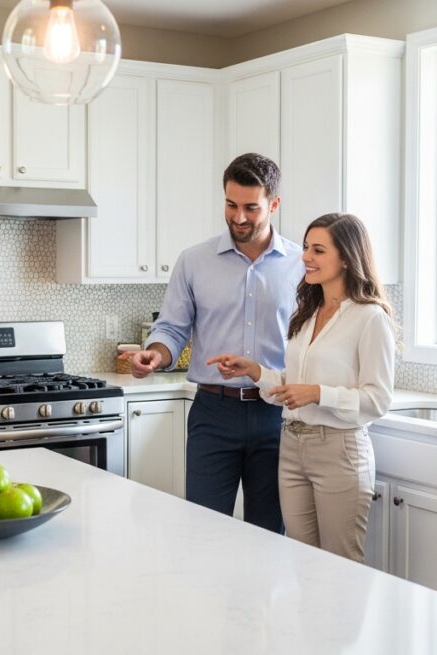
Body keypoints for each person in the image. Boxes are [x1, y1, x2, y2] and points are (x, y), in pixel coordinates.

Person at [121, 153, 303, 533]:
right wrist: (154, 356)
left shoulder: (301, 267)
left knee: (270, 532)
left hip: (276, 413)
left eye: (251, 208)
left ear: (274, 204)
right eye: (231, 205)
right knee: (203, 529)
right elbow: (172, 328)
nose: (239, 218)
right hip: (213, 413)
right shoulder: (193, 261)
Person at [205, 213, 395, 561]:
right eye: (307, 247)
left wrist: (318, 393)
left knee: (341, 568)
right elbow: (293, 385)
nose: (306, 256)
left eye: (318, 250)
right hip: (292, 447)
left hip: (339, 452)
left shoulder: (370, 318)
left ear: (348, 258)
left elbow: (378, 399)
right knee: (302, 564)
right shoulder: (307, 311)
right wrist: (255, 371)